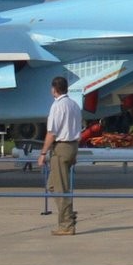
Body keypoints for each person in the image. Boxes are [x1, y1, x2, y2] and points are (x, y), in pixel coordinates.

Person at [39, 76, 84, 235]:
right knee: (53, 185)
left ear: (54, 89)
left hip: (61, 147)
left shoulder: (57, 106)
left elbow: (52, 133)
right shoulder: (74, 105)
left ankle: (66, 224)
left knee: (60, 188)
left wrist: (43, 152)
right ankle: (68, 215)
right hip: (72, 146)